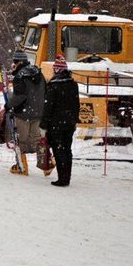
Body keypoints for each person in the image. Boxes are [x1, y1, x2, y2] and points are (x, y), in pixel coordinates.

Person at [40, 55, 80, 187]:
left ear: (56, 70)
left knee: (59, 151)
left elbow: (48, 107)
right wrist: (73, 119)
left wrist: (43, 125)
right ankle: (66, 177)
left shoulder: (53, 85)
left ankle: (62, 179)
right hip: (69, 124)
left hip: (56, 124)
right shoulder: (73, 84)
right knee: (67, 150)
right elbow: (76, 105)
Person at [4, 50, 46, 175]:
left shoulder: (20, 76)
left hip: (23, 113)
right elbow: (45, 91)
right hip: (38, 111)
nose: (13, 64)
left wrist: (8, 105)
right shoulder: (38, 72)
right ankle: (46, 164)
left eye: (15, 61)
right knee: (37, 140)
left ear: (20, 62)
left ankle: (22, 166)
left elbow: (19, 97)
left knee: (20, 140)